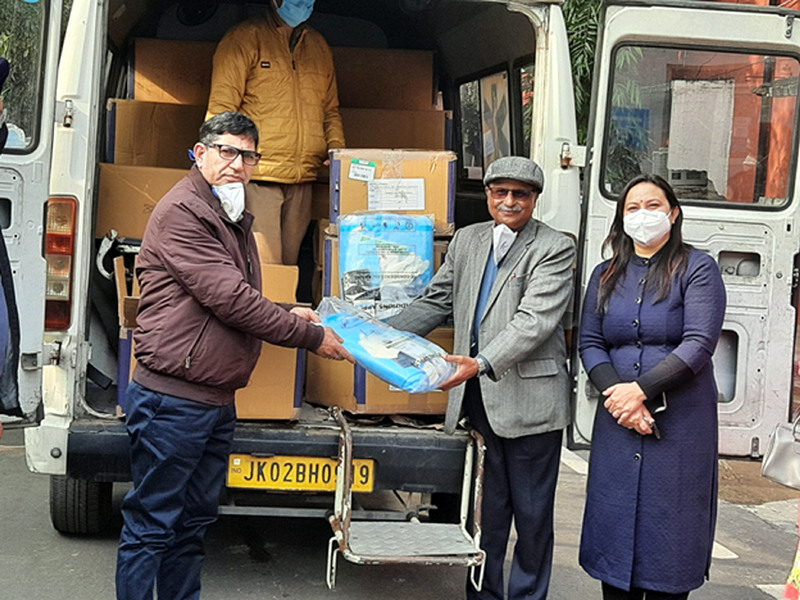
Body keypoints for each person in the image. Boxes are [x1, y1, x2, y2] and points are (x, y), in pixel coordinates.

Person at [115, 111, 352, 600]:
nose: (236, 164)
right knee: (153, 525)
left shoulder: (230, 214)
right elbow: (231, 300)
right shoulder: (184, 212)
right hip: (173, 400)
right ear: (199, 153)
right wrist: (310, 338)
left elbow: (232, 295)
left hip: (214, 398)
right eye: (226, 151)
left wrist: (292, 312)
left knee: (192, 524)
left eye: (247, 156)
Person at [389, 156, 575, 600]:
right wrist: (378, 337)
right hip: (479, 402)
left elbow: (534, 322)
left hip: (530, 401)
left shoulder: (554, 246)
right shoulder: (469, 240)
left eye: (521, 194)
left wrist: (482, 362)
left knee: (531, 518)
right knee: (486, 515)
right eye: (500, 192)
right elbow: (437, 300)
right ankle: (484, 595)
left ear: (534, 200)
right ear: (488, 195)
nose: (509, 201)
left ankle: (528, 596)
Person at [578, 174, 726, 600]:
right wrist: (618, 397)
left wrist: (637, 391)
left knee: (672, 539)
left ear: (673, 213)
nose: (643, 215)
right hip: (619, 420)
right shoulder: (604, 275)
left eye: (653, 205)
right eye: (633, 208)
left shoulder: (698, 268)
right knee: (614, 527)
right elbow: (590, 342)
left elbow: (699, 342)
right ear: (622, 218)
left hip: (681, 422)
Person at [206, 0, 345, 266]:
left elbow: (330, 110)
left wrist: (336, 149)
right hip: (258, 176)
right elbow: (221, 110)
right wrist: (224, 169)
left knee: (289, 269)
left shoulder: (318, 46)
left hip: (304, 178)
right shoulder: (244, 38)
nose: (303, 3)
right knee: (265, 270)